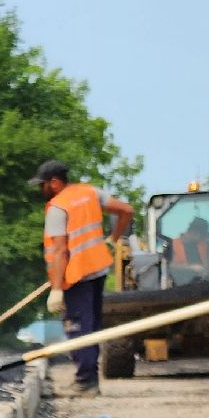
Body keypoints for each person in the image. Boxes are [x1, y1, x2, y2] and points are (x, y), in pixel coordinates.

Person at [31, 161, 135, 397]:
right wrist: (113, 238)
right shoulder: (90, 193)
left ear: (55, 182)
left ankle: (85, 383)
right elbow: (127, 210)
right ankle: (89, 380)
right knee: (92, 327)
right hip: (97, 270)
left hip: (76, 276)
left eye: (43, 185)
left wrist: (56, 289)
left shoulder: (58, 207)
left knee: (77, 328)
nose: (41, 190)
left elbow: (60, 251)